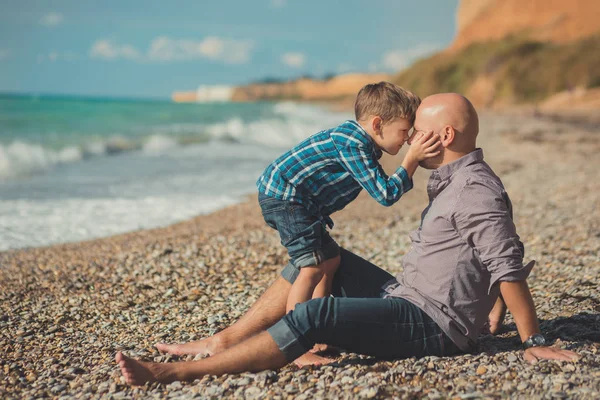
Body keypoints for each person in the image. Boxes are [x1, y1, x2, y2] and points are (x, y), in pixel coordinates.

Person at [117, 93, 579, 386]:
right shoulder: (453, 180)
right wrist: (489, 307)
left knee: (314, 312)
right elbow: (479, 263)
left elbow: (505, 264)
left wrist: (531, 338)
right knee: (317, 259)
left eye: (419, 130)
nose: (411, 138)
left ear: (446, 135)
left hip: (429, 324)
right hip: (408, 297)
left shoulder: (475, 190)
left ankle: (175, 374)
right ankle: (225, 340)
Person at [255, 82, 439, 365]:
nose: (407, 139)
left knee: (329, 260)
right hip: (286, 198)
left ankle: (320, 332)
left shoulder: (362, 142)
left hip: (302, 203)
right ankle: (294, 346)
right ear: (378, 124)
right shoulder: (352, 143)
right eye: (404, 131)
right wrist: (411, 160)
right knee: (312, 268)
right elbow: (386, 194)